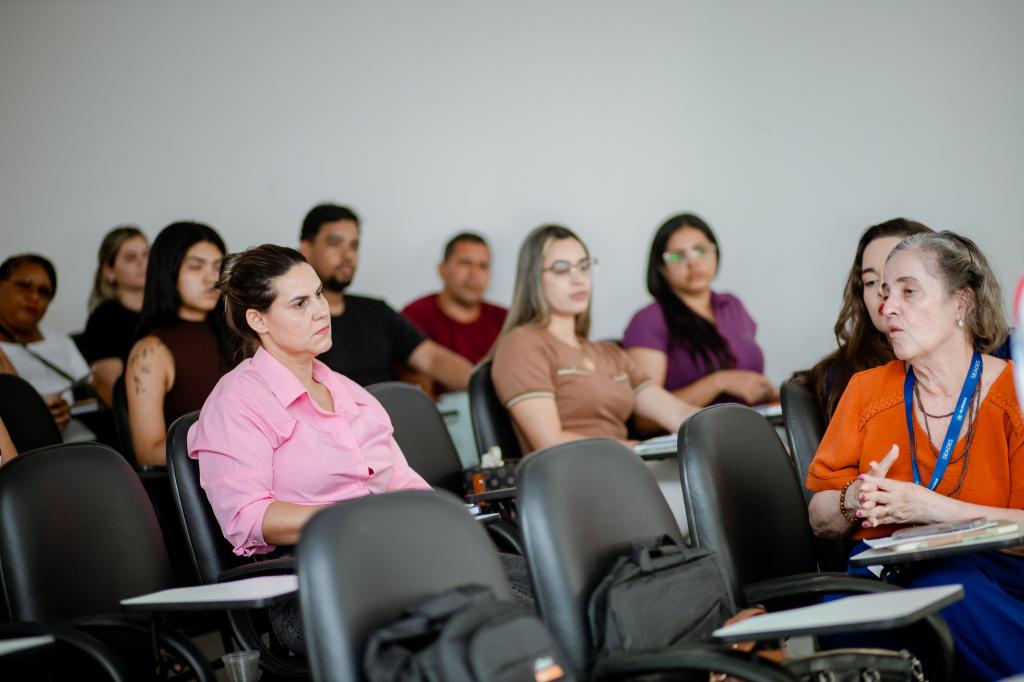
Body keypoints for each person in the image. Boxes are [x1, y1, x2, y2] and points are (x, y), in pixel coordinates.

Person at [188, 244, 529, 653]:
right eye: (299, 304)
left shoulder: (348, 393)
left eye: (318, 295)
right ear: (257, 319)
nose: (320, 311)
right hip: (314, 581)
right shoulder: (237, 402)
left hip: (397, 553)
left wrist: (440, 519)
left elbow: (402, 483)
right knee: (493, 616)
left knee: (547, 587)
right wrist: (360, 519)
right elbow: (248, 517)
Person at [806, 231, 1023, 680]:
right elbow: (820, 517)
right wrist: (855, 497)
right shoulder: (865, 391)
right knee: (845, 618)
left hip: (993, 577)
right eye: (885, 293)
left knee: (953, 591)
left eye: (909, 292)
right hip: (885, 576)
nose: (887, 307)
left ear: (961, 303)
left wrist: (930, 508)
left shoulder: (1015, 394)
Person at [492, 224, 697, 454]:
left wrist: (717, 427)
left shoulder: (609, 353)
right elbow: (551, 442)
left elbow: (677, 413)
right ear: (533, 279)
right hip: (577, 472)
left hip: (627, 467)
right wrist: (642, 450)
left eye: (584, 266)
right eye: (561, 269)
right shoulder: (521, 344)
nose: (578, 279)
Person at [298, 203, 473, 388]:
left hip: (387, 405)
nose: (347, 255)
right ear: (306, 249)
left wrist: (483, 387)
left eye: (354, 246)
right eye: (335, 243)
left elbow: (431, 358)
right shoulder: (292, 319)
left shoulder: (377, 312)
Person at [624, 213, 773, 408]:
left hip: (753, 419)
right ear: (661, 267)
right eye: (677, 256)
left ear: (715, 254)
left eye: (700, 250)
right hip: (696, 428)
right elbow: (645, 414)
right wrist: (719, 382)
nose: (692, 262)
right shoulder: (648, 320)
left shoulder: (732, 305)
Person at [794, 218, 933, 420]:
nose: (882, 290)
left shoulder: (979, 364)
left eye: (898, 277)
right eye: (871, 281)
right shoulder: (839, 377)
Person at [125, 222, 233, 466]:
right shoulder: (150, 351)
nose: (211, 278)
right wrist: (230, 446)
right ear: (168, 271)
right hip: (203, 479)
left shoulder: (241, 334)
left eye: (218, 267)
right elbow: (147, 450)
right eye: (196, 267)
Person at [0, 254, 97, 442]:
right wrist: (37, 415)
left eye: (44, 292)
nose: (34, 297)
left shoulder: (59, 341)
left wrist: (67, 409)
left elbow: (89, 390)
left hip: (82, 439)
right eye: (24, 285)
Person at [402, 232, 507, 393]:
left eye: (483, 266)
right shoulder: (415, 316)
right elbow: (413, 384)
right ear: (442, 269)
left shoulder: (505, 319)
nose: (474, 273)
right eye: (465, 263)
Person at [80, 226, 149, 407]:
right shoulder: (102, 320)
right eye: (130, 258)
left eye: (146, 254)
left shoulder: (168, 309)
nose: (143, 263)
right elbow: (114, 394)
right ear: (109, 271)